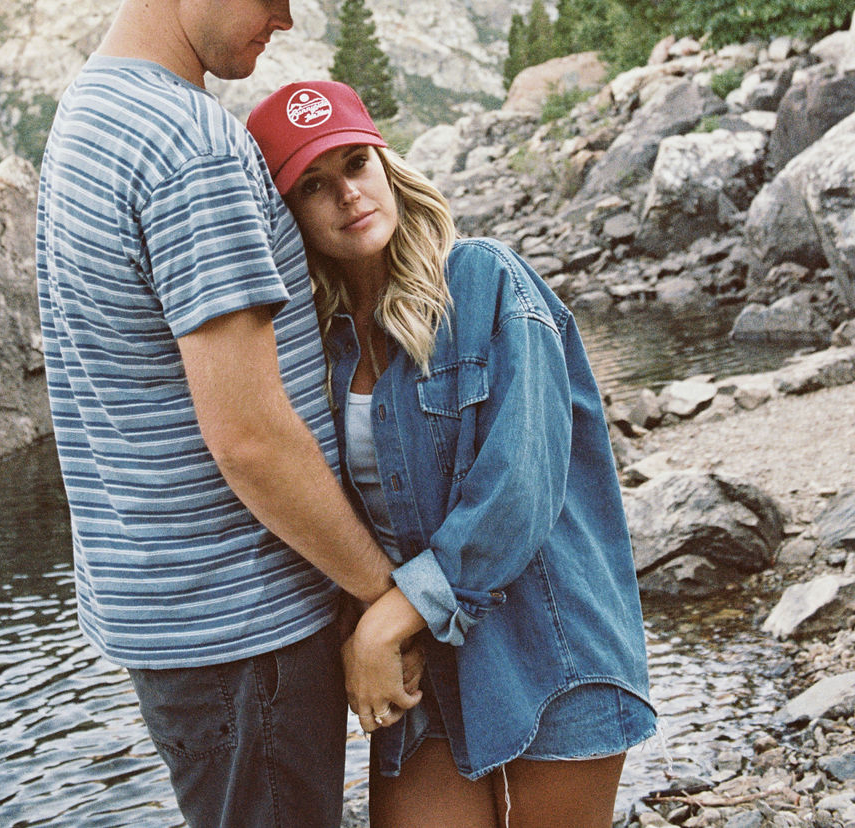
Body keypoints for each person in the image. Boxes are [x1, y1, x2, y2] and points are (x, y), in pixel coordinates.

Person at [36, 0, 422, 828]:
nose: (286, 18)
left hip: (173, 615)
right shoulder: (188, 148)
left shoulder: (90, 113)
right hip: (244, 625)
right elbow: (250, 434)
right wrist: (383, 595)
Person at [247, 79, 656, 828]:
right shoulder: (316, 345)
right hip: (421, 664)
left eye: (355, 164)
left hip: (549, 643)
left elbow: (519, 488)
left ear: (388, 167)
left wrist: (384, 620)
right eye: (314, 183)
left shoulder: (486, 279)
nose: (347, 194)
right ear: (290, 214)